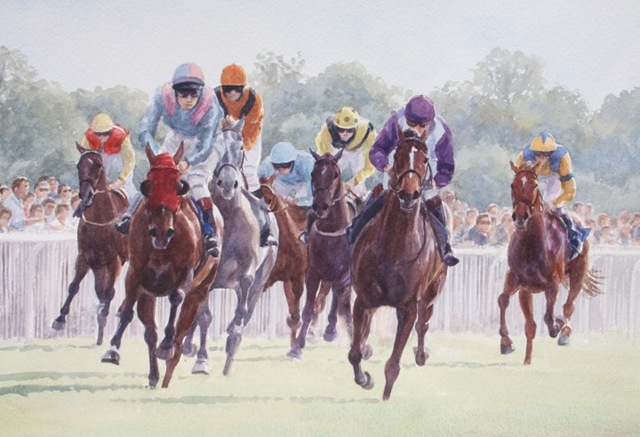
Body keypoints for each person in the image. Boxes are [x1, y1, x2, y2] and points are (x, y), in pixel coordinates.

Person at [116, 62, 224, 257]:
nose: (189, 99)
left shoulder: (210, 104)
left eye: (194, 94)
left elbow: (205, 144)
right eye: (183, 94)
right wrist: (158, 156)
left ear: (200, 92)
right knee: (156, 176)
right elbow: (145, 130)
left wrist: (188, 162)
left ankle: (210, 234)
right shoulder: (161, 96)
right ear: (174, 92)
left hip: (207, 142)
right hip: (177, 136)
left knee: (196, 180)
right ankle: (129, 216)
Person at [347, 95, 459, 266]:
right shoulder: (396, 120)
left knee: (433, 202)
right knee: (378, 196)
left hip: (426, 174)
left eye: (422, 126)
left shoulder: (442, 131)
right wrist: (386, 167)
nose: (417, 129)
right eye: (412, 124)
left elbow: (447, 166)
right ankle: (354, 233)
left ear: (430, 122)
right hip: (397, 170)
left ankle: (445, 247)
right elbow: (377, 150)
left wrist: (436, 182)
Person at [516, 131, 589, 260]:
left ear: (552, 153)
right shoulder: (523, 157)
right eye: (538, 154)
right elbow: (519, 186)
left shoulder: (562, 157)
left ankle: (574, 237)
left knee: (555, 209)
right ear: (533, 152)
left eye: (546, 154)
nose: (542, 158)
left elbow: (570, 188)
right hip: (533, 177)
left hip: (554, 177)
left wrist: (555, 203)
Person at [214, 63, 264, 195]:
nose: (232, 93)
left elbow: (250, 132)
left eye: (236, 89)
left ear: (243, 88)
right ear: (222, 88)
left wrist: (238, 144)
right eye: (228, 89)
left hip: (248, 131)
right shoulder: (214, 97)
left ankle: (258, 201)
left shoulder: (254, 101)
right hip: (222, 130)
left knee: (249, 170)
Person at [314, 106, 377, 199]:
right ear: (335, 127)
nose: (345, 133)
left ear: (356, 128)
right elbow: (323, 156)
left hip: (358, 151)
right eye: (341, 129)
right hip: (337, 149)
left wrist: (353, 182)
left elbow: (370, 166)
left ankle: (360, 197)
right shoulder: (327, 130)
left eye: (350, 130)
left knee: (359, 172)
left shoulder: (368, 132)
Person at [79, 113, 137, 198]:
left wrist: (121, 180)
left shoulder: (121, 136)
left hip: (118, 152)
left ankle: (132, 198)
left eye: (106, 133)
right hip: (101, 152)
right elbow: (86, 159)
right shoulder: (88, 137)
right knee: (99, 175)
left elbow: (130, 160)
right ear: (93, 132)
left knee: (127, 180)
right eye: (98, 134)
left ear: (111, 131)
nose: (102, 137)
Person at [258, 141, 314, 207]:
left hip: (301, 186)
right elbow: (255, 179)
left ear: (293, 161)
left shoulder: (306, 163)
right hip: (281, 184)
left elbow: (312, 197)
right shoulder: (268, 164)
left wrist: (299, 201)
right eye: (277, 166)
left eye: (285, 165)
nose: (281, 170)